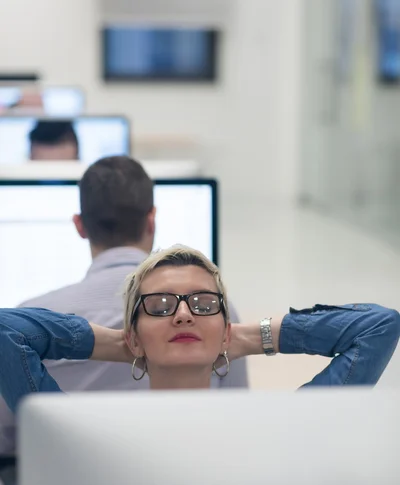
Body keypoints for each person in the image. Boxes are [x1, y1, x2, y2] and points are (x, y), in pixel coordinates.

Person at [0, 157, 248, 450]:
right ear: (152, 220)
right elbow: (236, 418)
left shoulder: (29, 330)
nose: (182, 316)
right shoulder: (215, 312)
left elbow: (8, 439)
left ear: (80, 225)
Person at [0, 245, 399, 412]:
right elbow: (6, 331)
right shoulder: (79, 433)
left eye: (204, 304)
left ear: (226, 331)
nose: (184, 315)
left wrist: (246, 337)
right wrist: (116, 344)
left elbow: (378, 326)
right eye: (159, 306)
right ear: (133, 335)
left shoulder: (279, 427)